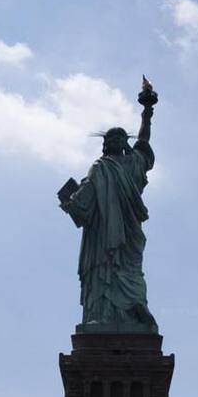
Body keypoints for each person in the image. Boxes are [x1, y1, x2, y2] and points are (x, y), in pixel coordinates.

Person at [58, 78, 159, 329]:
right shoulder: (101, 168)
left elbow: (144, 141)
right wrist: (72, 202)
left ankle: (133, 309)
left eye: (119, 137)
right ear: (106, 145)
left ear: (124, 143)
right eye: (112, 138)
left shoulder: (129, 163)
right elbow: (85, 201)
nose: (115, 140)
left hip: (125, 231)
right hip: (104, 231)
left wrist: (147, 113)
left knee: (128, 269)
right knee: (109, 268)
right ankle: (104, 316)